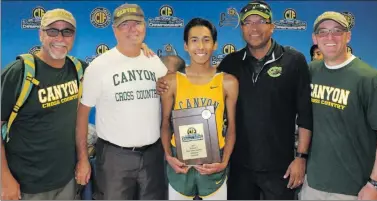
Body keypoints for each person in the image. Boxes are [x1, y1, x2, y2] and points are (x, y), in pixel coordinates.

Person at [157, 1, 313, 200]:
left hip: (279, 167)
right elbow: (201, 78)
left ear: (272, 26)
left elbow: (305, 114)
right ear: (241, 28)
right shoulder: (231, 63)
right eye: (248, 22)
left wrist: (301, 158)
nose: (254, 27)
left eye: (260, 21)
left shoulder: (294, 60)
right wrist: (162, 83)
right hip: (239, 167)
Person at [300, 11, 377, 200]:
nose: (330, 37)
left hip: (352, 187)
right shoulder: (311, 71)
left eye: (337, 31)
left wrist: (375, 184)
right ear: (315, 38)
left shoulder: (369, 79)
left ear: (348, 36)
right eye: (323, 32)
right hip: (313, 182)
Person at [75, 3, 168, 200]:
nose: (132, 29)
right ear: (114, 30)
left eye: (137, 23)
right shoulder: (99, 66)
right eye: (125, 24)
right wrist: (83, 159)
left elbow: (171, 92)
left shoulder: (154, 62)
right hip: (114, 158)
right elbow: (82, 116)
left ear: (145, 26)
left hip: (152, 156)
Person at [1, 9, 87, 200]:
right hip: (26, 185)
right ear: (41, 34)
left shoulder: (78, 69)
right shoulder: (18, 72)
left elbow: (112, 67)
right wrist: (4, 178)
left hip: (67, 180)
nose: (60, 38)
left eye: (67, 31)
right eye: (52, 31)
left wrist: (140, 49)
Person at [160, 18, 238, 200]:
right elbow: (165, 123)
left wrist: (224, 161)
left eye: (206, 39)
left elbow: (232, 127)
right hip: (179, 162)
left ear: (215, 44)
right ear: (186, 46)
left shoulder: (228, 82)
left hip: (214, 164)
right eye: (194, 40)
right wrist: (168, 156)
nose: (200, 46)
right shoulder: (171, 81)